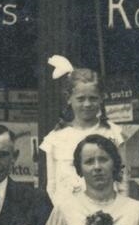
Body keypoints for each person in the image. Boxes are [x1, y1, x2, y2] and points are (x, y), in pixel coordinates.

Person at [39, 67, 125, 204]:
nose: (87, 104)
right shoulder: (55, 138)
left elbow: (123, 181)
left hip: (106, 210)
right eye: (80, 99)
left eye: (93, 98)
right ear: (69, 98)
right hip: (68, 212)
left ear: (101, 98)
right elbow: (51, 185)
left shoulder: (113, 133)